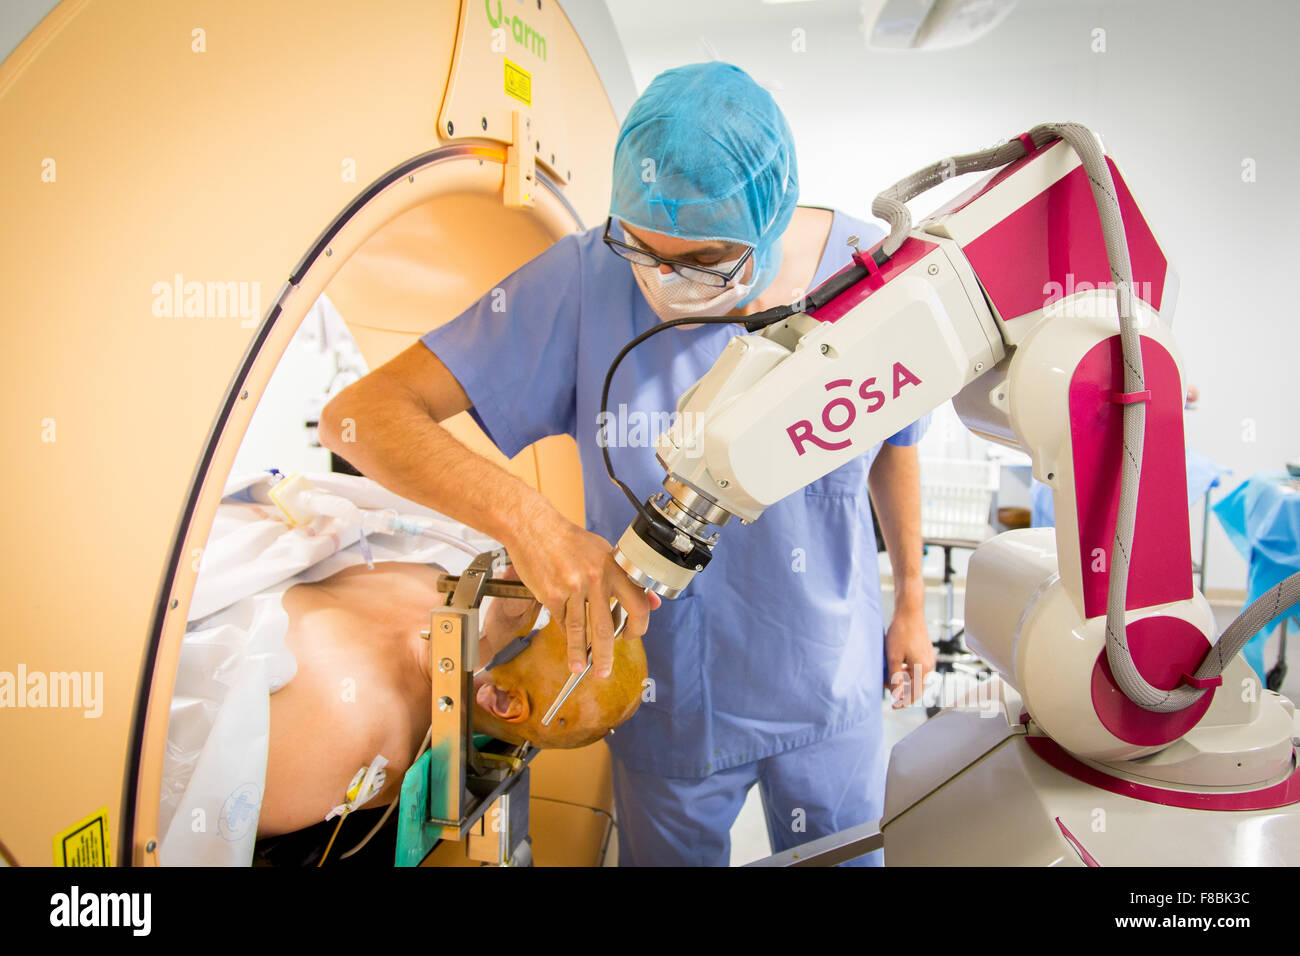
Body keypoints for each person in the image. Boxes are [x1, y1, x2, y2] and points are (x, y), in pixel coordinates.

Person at [320, 61, 932, 866]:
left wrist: (913, 602)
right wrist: (531, 522)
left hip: (825, 683)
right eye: (642, 250)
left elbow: (896, 445)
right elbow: (359, 419)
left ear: (771, 218)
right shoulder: (583, 277)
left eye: (706, 259)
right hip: (667, 698)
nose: (664, 284)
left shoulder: (869, 273)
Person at [258, 561, 646, 838]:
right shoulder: (432, 579)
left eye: (538, 618)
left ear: (502, 701)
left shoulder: (363, 741)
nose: (519, 587)